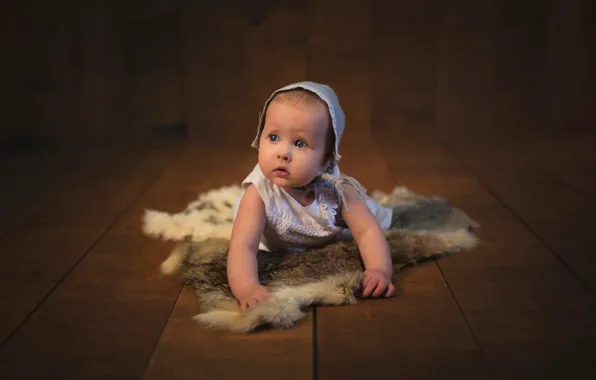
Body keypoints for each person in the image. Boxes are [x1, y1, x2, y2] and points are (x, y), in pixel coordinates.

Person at [227, 81, 396, 310]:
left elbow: (367, 231)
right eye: (273, 137)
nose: (282, 153)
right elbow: (243, 246)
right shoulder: (259, 193)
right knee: (241, 226)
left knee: (373, 218)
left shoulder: (340, 189)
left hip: (330, 229)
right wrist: (247, 287)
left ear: (326, 160)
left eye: (299, 143)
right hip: (276, 241)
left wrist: (379, 270)